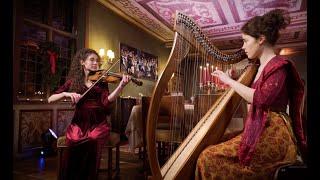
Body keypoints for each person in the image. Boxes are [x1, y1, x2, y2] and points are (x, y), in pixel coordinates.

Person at [196, 9, 307, 179]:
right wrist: (234, 78)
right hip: (260, 127)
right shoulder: (258, 67)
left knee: (207, 158)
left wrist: (229, 81)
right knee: (213, 143)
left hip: (273, 133)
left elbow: (261, 99)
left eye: (245, 40)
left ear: (261, 39)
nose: (243, 46)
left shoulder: (279, 66)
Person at [48, 48, 131, 179]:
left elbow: (106, 101)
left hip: (99, 122)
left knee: (93, 139)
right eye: (92, 60)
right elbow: (50, 99)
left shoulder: (102, 81)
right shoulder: (74, 81)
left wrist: (121, 86)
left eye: (97, 61)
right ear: (82, 62)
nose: (95, 63)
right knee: (74, 139)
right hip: (79, 122)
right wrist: (66, 93)